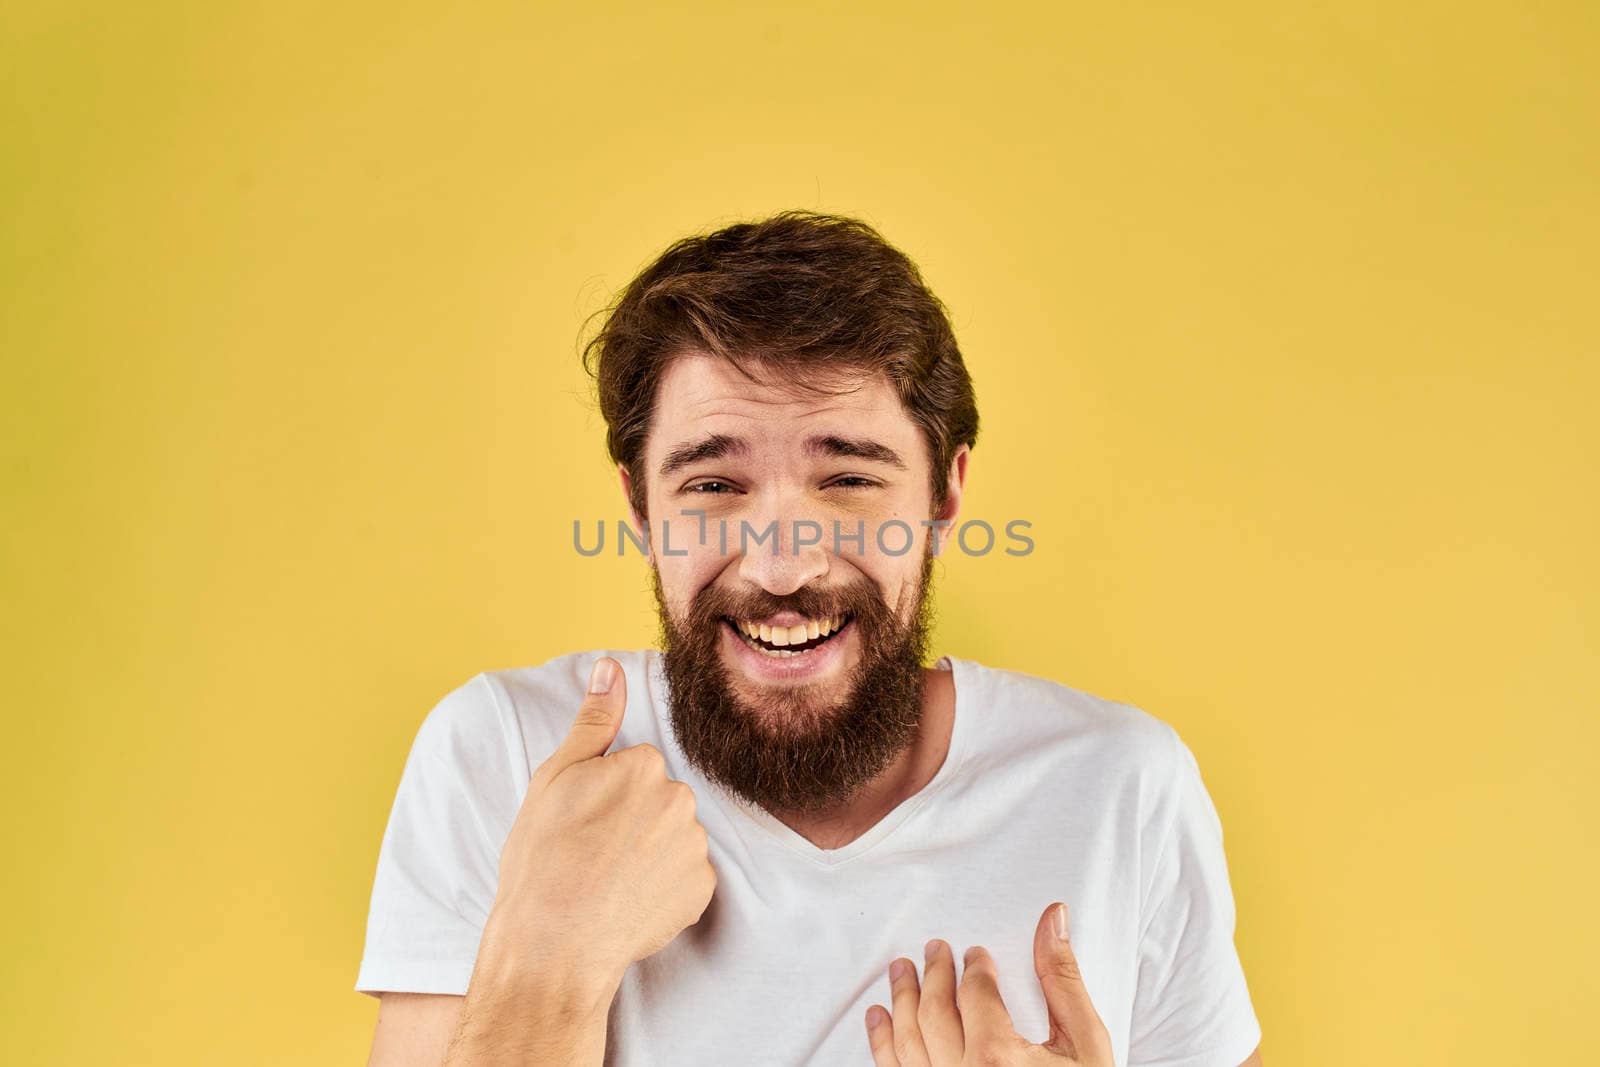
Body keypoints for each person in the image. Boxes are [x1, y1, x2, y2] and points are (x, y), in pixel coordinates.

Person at [356, 211, 1264, 1067]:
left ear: (943, 499)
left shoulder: (1121, 787)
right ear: (639, 506)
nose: (783, 567)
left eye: (848, 480)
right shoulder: (506, 756)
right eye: (713, 485)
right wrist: (548, 963)